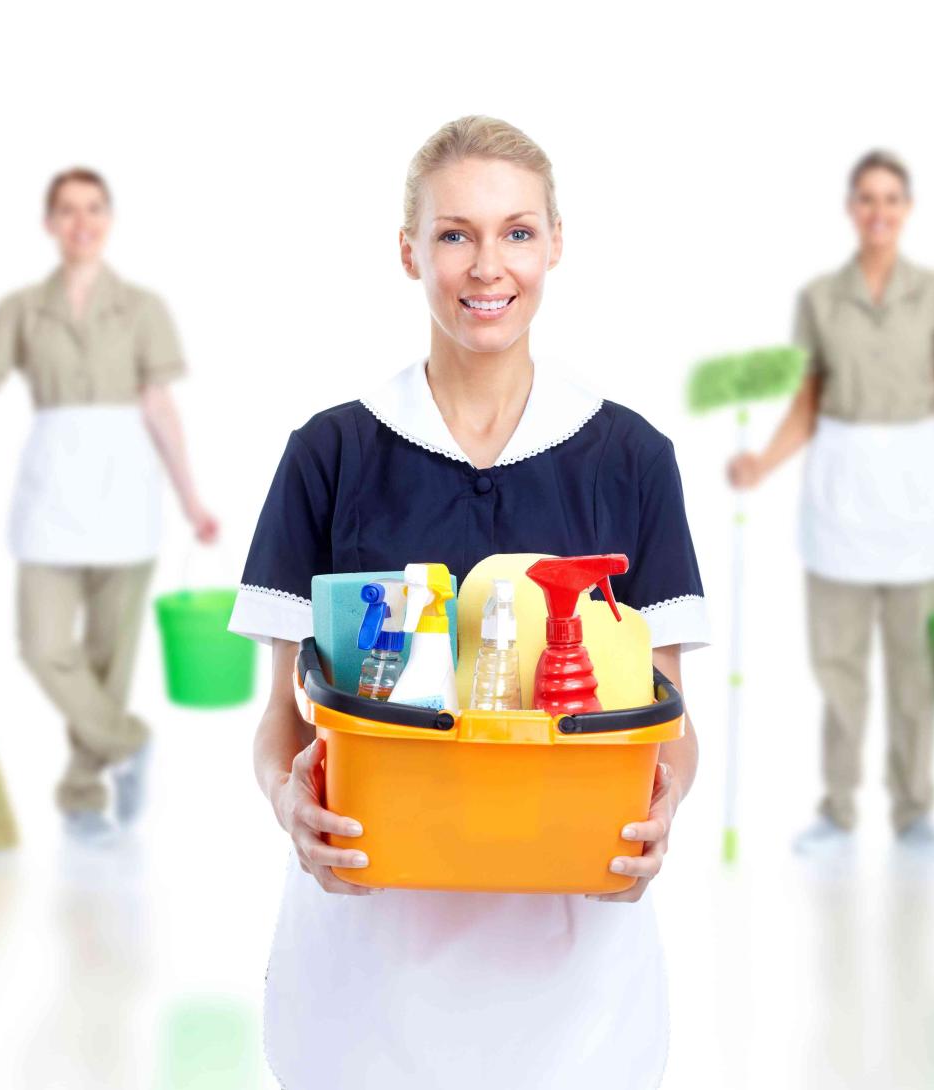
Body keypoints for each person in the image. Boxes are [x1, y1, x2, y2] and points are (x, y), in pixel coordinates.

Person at [228, 116, 709, 1089]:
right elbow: (283, 715)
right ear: (409, 251)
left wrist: (662, 808)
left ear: (555, 243)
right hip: (367, 971)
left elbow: (666, 720)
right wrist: (289, 803)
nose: (487, 266)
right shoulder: (331, 454)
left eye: (516, 232)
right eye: (454, 234)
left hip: (574, 985)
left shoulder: (630, 459)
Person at [0, 167, 217, 845]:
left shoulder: (141, 308)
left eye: (93, 208)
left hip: (126, 492)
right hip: (53, 493)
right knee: (42, 646)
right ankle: (129, 742)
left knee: (108, 660)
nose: (81, 222)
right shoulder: (23, 309)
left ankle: (83, 795)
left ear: (109, 219)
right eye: (67, 210)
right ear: (49, 223)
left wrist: (191, 499)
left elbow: (159, 406)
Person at [727, 150, 934, 860]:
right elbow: (806, 405)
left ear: (907, 209)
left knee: (916, 670)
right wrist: (762, 465)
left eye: (891, 199)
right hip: (840, 496)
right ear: (851, 208)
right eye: (867, 198)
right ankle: (838, 812)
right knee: (838, 666)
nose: (879, 211)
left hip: (915, 495)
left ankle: (915, 812)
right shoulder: (819, 298)